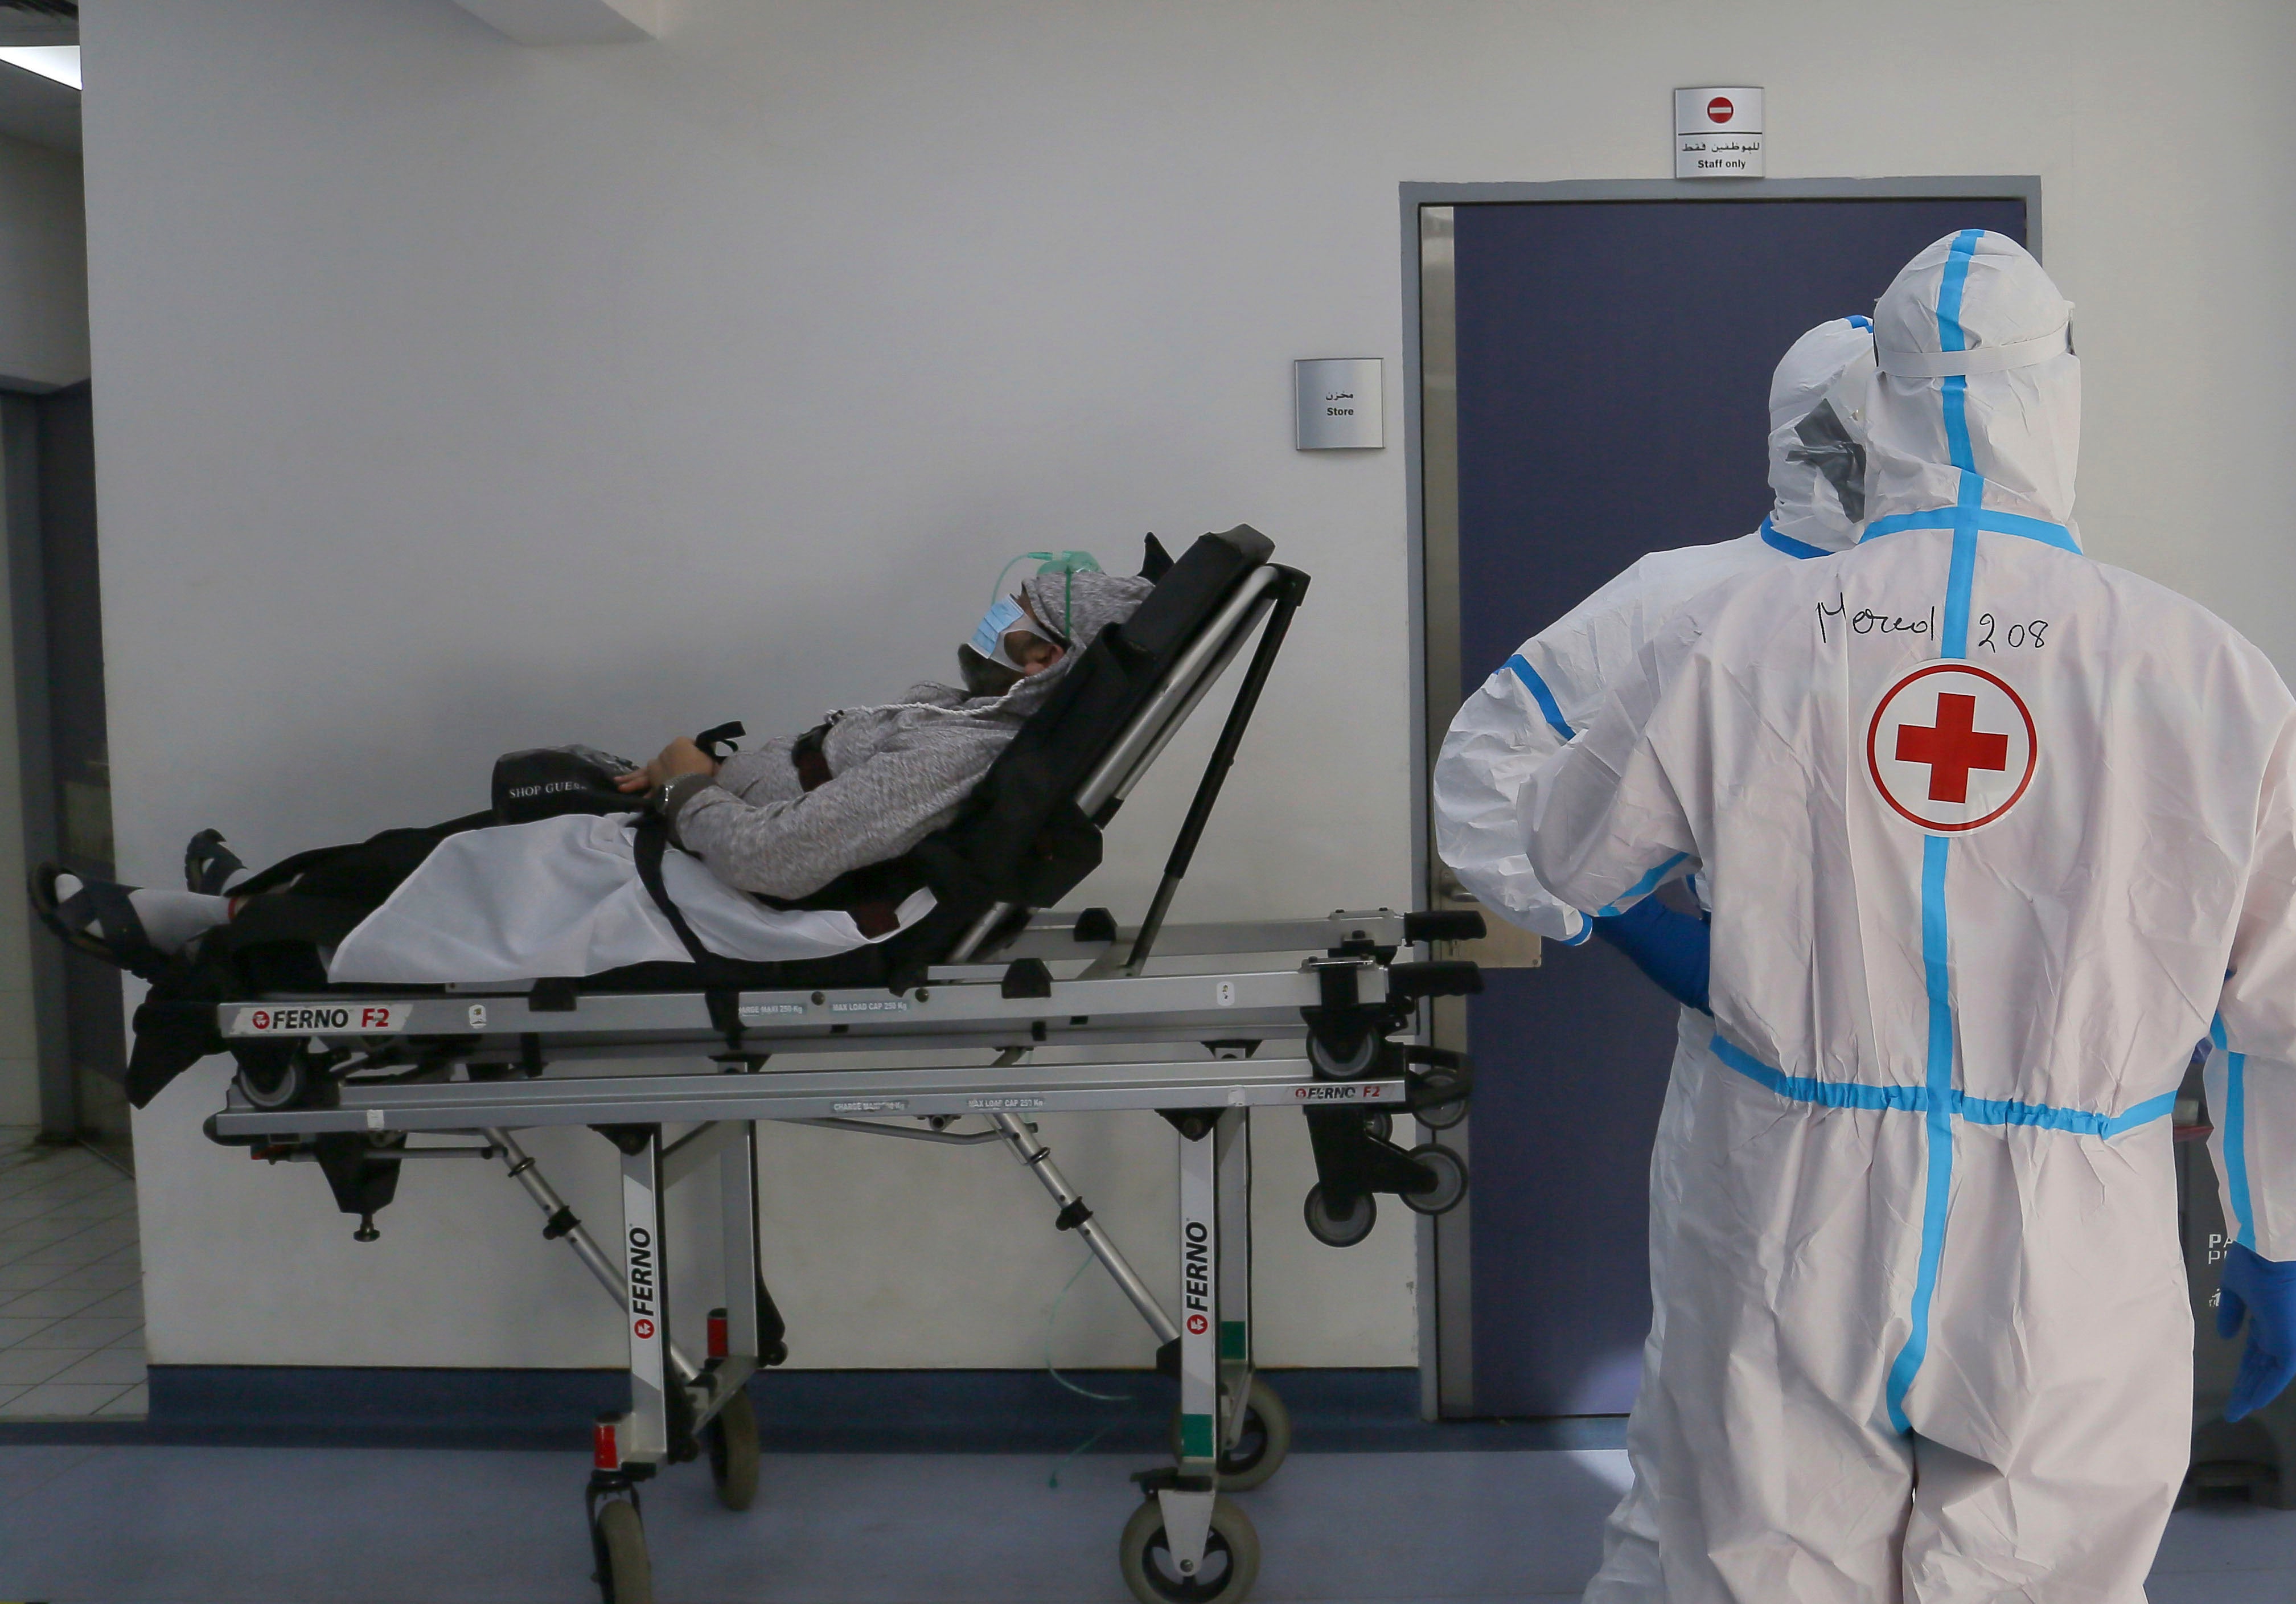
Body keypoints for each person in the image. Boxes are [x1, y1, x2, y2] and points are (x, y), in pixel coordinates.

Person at [1519, 229, 2296, 1603]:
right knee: (2044, 1579)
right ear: (2062, 399)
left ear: (1889, 403)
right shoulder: (2202, 672)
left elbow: (1568, 839)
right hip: (2071, 1234)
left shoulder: (1741, 634)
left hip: (1791, 1206)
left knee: (1762, 1570)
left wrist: (1708, 949)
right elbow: (2287, 1001)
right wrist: (2279, 1239)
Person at [32, 561, 1153, 1098]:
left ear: (1044, 658)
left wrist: (682, 788)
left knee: (493, 847)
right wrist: (686, 777)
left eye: (1013, 623)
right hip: (697, 841)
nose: (990, 625)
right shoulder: (959, 715)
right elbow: (797, 807)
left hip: (728, 898)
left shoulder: (964, 751)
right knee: (512, 809)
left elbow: (781, 859)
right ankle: (257, 899)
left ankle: (211, 926)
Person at [1431, 315, 1875, 1601]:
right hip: (1752, 1076)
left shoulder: (1998, 613)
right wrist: (1628, 919)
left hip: (1958, 1086)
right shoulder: (1687, 595)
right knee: (1710, 1422)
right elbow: (1486, 770)